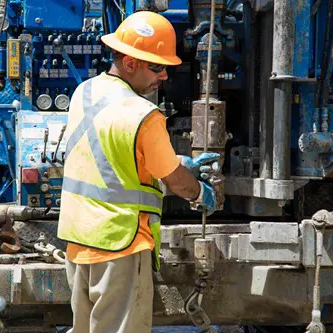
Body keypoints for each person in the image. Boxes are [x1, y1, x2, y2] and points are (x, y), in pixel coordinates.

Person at [57, 11, 219, 333]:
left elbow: (107, 152)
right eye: (157, 67)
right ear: (130, 62)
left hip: (78, 241)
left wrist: (171, 162)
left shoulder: (84, 92)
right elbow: (175, 181)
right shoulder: (145, 114)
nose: (164, 77)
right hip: (119, 243)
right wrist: (199, 192)